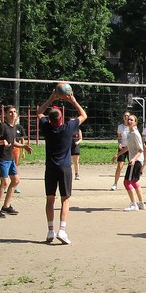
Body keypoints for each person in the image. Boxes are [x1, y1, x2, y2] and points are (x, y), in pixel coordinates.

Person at [37, 87, 88, 245]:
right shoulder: (68, 128)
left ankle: (50, 230)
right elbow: (83, 115)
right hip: (65, 167)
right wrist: (72, 100)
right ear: (61, 119)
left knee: (50, 199)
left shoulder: (46, 128)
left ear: (50, 119)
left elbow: (39, 112)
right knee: (65, 200)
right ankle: (62, 231)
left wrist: (52, 98)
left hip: (50, 168)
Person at [0, 106, 29, 218]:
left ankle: (6, 206)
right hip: (2, 159)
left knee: (16, 181)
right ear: (6, 115)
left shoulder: (14, 127)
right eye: (10, 112)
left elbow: (13, 142)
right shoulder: (3, 126)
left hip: (10, 158)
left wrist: (24, 146)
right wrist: (2, 142)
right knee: (4, 183)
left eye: (14, 112)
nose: (13, 114)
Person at [122, 114, 146, 211]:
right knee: (134, 181)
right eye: (128, 119)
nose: (129, 121)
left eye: (131, 120)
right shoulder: (129, 133)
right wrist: (118, 154)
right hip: (135, 161)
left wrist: (134, 159)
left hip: (136, 161)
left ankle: (134, 204)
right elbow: (128, 148)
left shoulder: (135, 134)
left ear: (135, 122)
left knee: (127, 182)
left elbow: (141, 150)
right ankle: (141, 203)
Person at [111, 111, 131, 191]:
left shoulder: (132, 127)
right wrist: (119, 143)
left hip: (130, 148)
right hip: (122, 147)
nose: (126, 117)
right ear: (123, 117)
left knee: (131, 166)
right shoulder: (120, 127)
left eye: (128, 116)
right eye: (125, 116)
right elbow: (119, 137)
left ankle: (131, 183)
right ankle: (115, 184)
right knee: (119, 166)